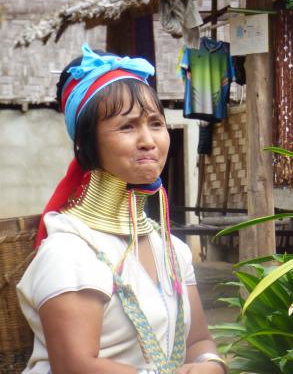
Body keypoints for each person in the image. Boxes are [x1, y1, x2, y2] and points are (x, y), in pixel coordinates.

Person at [17, 44, 228, 374]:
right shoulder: (69, 252)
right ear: (87, 144)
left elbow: (198, 342)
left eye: (156, 124)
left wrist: (211, 364)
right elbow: (76, 366)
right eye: (127, 127)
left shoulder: (173, 250)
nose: (148, 140)